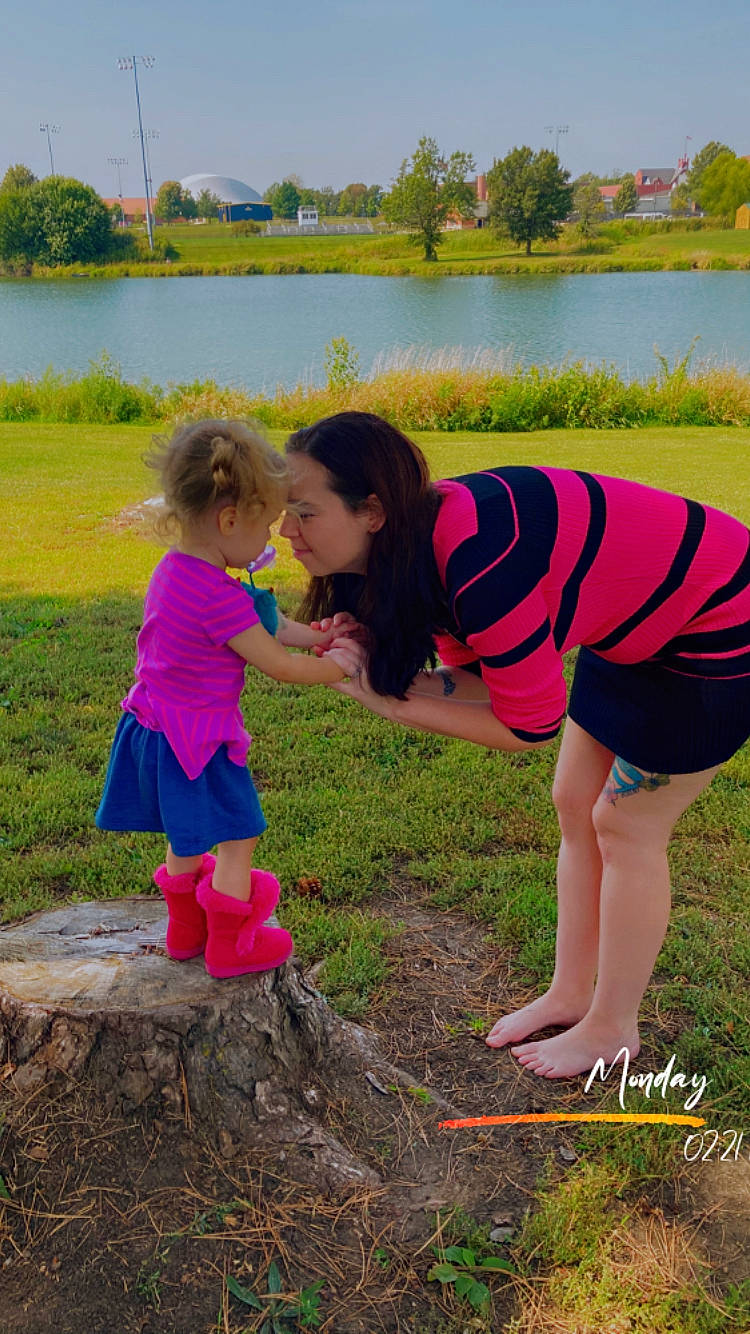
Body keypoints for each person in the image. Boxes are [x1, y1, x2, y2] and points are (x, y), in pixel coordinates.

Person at [277, 411, 750, 1080]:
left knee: (626, 824)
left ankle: (613, 1029)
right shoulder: (419, 551)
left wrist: (392, 701)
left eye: (303, 512)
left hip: (720, 615)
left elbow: (528, 724)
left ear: (372, 511)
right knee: (574, 800)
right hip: (634, 621)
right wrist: (392, 678)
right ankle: (570, 993)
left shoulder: (477, 561)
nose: (285, 531)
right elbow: (478, 681)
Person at [96, 420, 362, 979]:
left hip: (155, 728)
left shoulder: (178, 571)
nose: (272, 539)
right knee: (240, 834)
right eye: (266, 526)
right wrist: (337, 664)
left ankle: (185, 930)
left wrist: (318, 635)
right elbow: (277, 663)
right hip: (199, 738)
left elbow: (266, 623)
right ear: (229, 520)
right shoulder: (218, 598)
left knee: (187, 834)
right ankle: (229, 947)